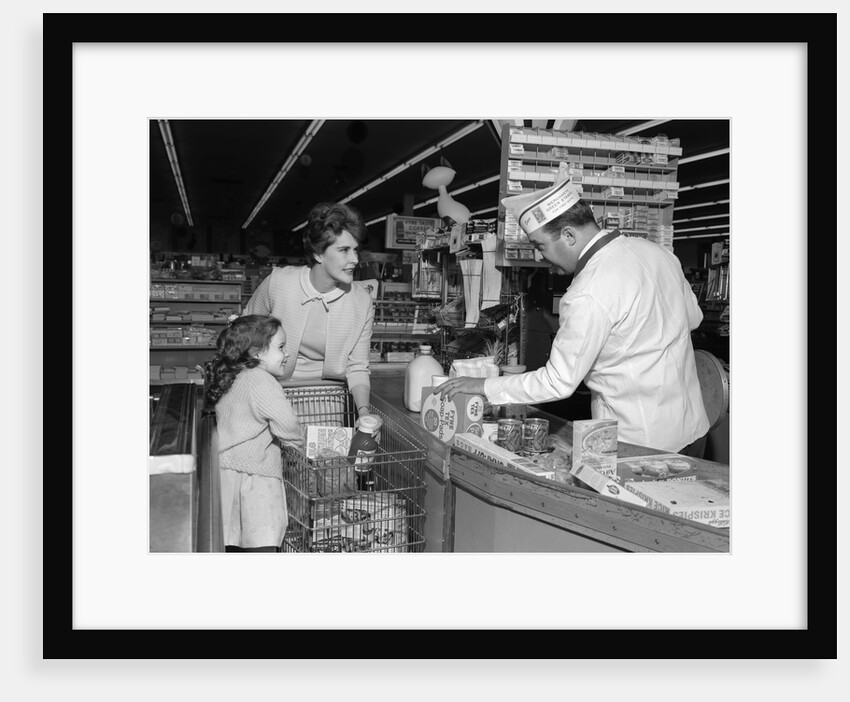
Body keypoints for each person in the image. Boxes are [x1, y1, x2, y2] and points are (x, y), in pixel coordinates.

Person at [435, 166, 710, 456]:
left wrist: (482, 385)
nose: (541, 256)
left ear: (568, 235)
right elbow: (693, 318)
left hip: (641, 444)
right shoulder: (657, 253)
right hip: (692, 429)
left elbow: (558, 382)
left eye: (540, 245)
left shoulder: (587, 291)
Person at [243, 202, 375, 420]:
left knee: (325, 454)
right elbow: (245, 330)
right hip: (271, 387)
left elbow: (358, 367)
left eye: (355, 249)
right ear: (318, 254)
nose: (355, 259)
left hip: (327, 397)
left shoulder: (361, 301)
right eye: (343, 250)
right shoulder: (279, 283)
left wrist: (364, 412)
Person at [206, 314, 305, 552]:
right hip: (254, 477)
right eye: (281, 347)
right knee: (262, 543)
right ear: (256, 352)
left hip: (226, 472)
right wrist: (302, 443)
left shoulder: (235, 375)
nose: (287, 354)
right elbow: (287, 423)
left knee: (232, 541)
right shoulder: (262, 381)